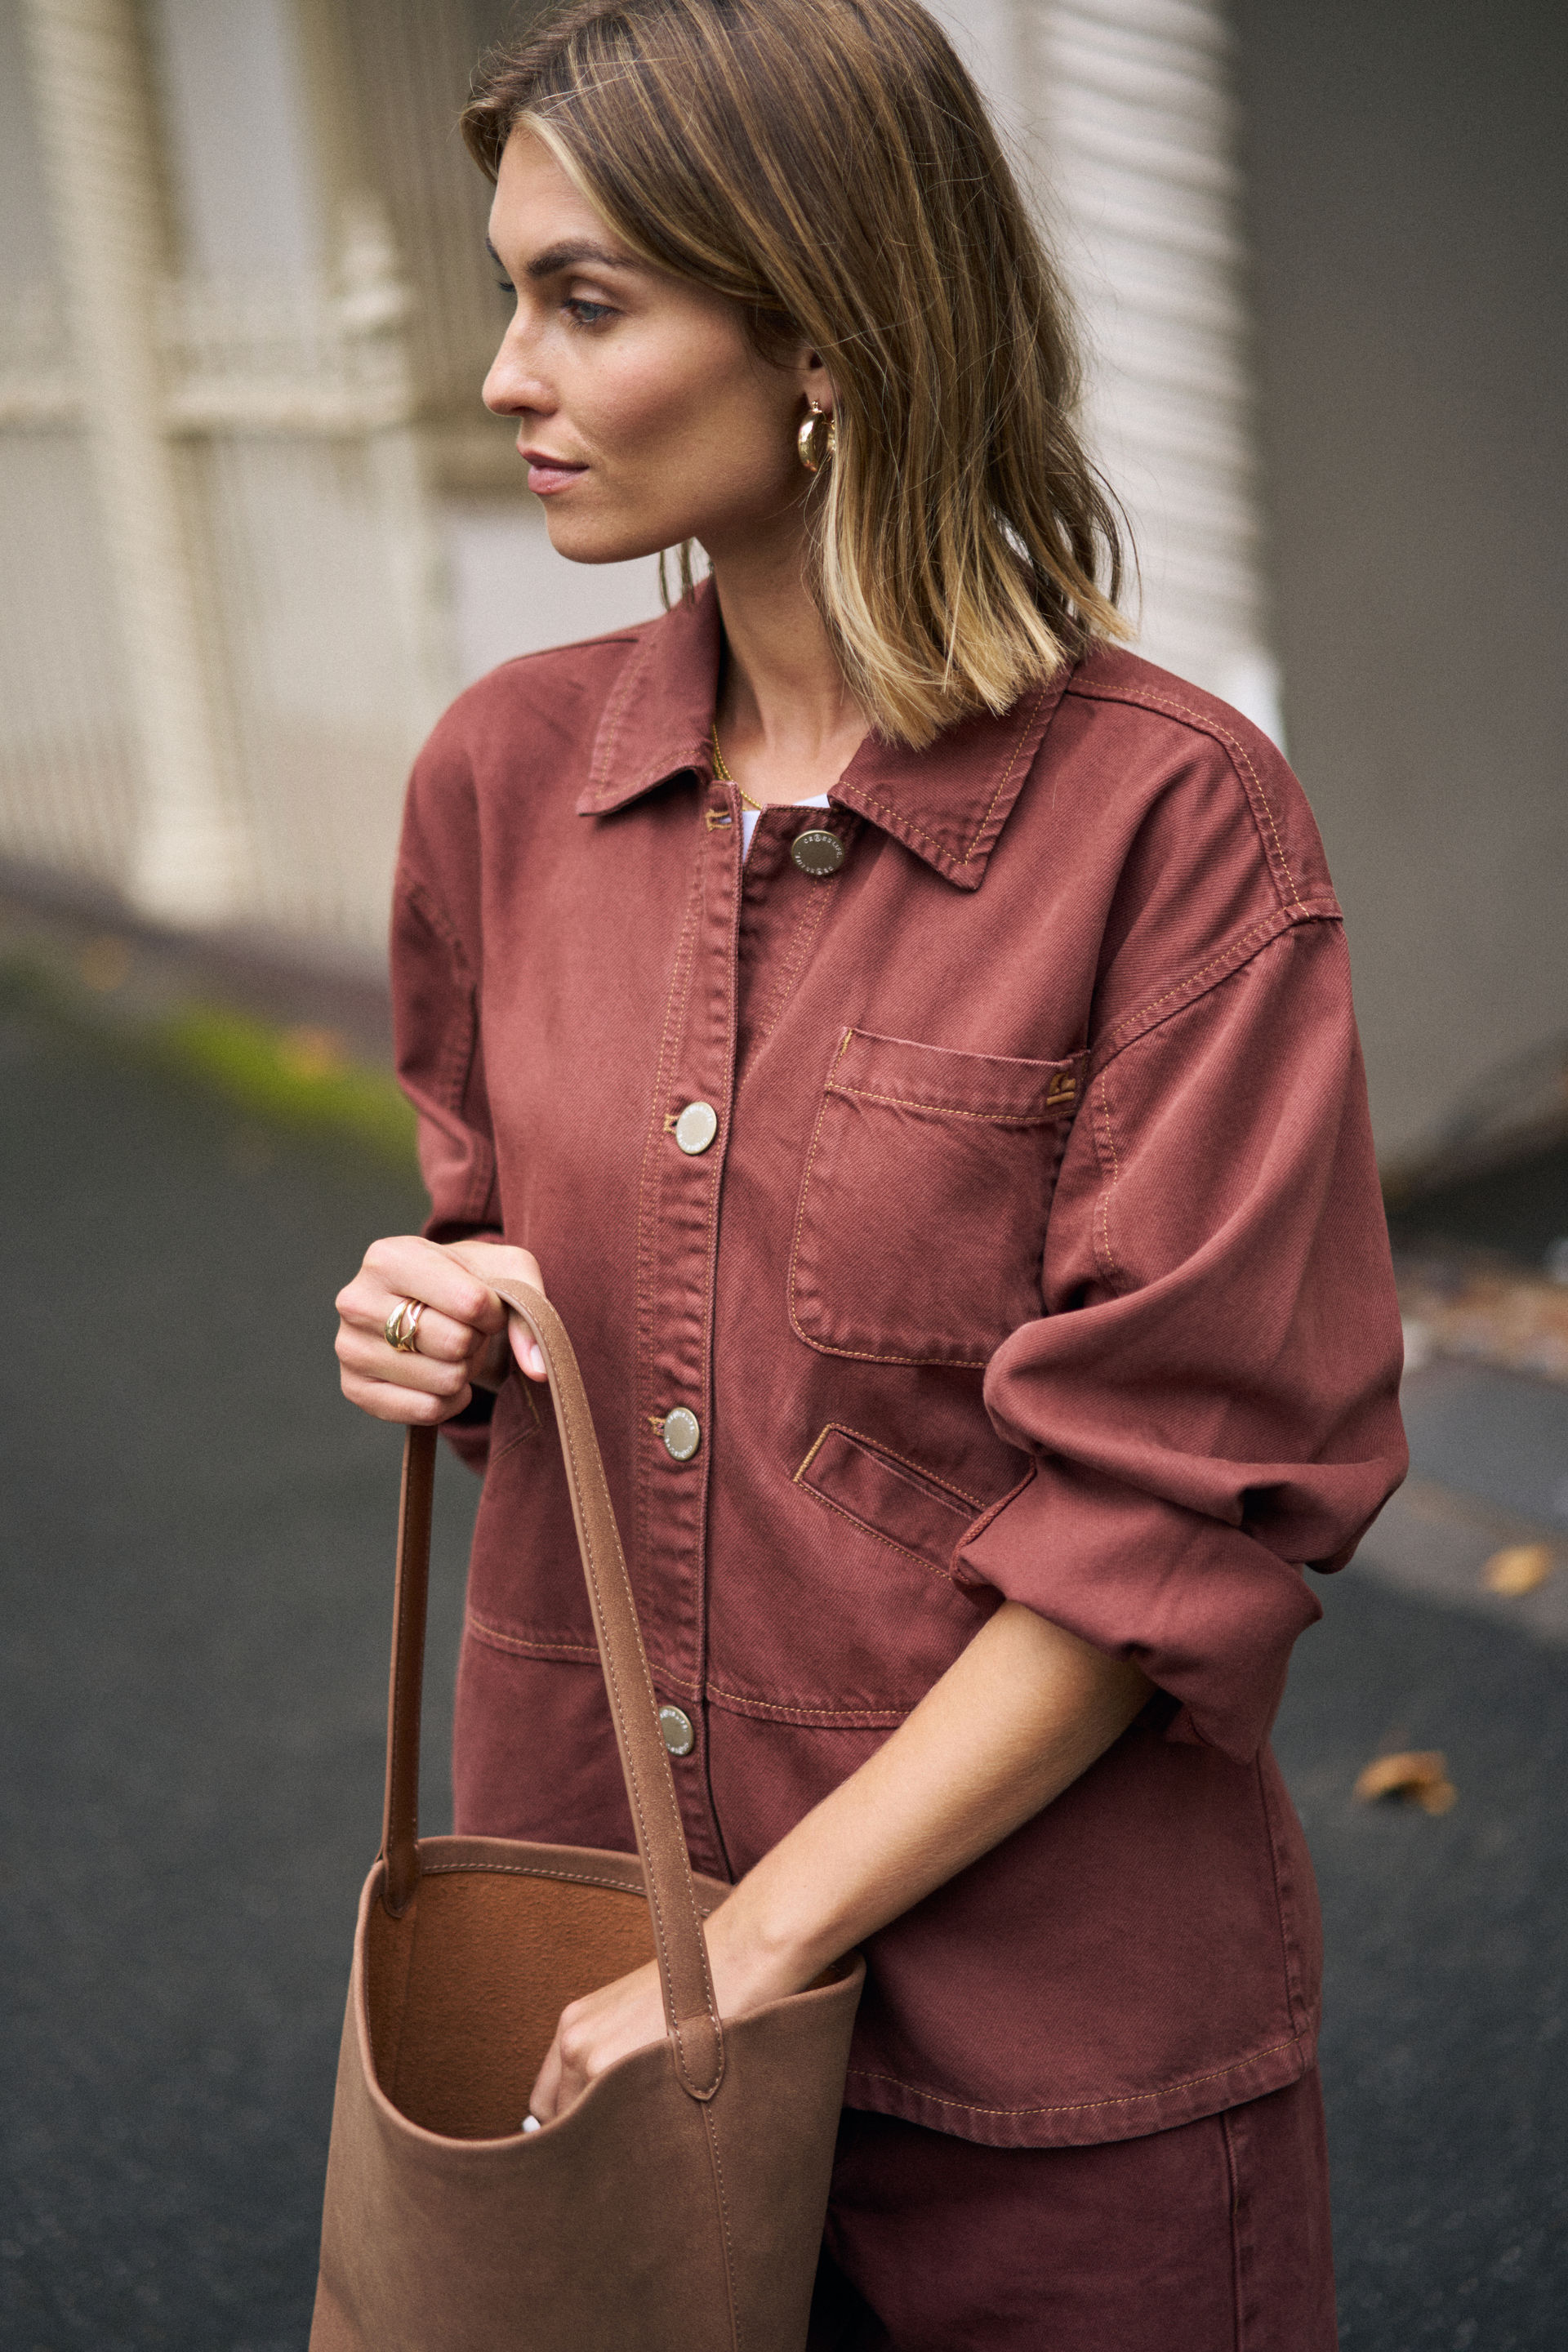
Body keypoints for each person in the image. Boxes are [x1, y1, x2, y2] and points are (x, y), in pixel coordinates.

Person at [332, 2, 1406, 2342]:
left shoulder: (1172, 826)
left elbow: (1179, 1513)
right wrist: (438, 1317)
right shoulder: (500, 780)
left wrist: (758, 1944)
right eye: (511, 294)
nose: (504, 376)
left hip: (1050, 2060)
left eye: (584, 301)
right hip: (581, 1951)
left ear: (824, 334)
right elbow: (511, 1255)